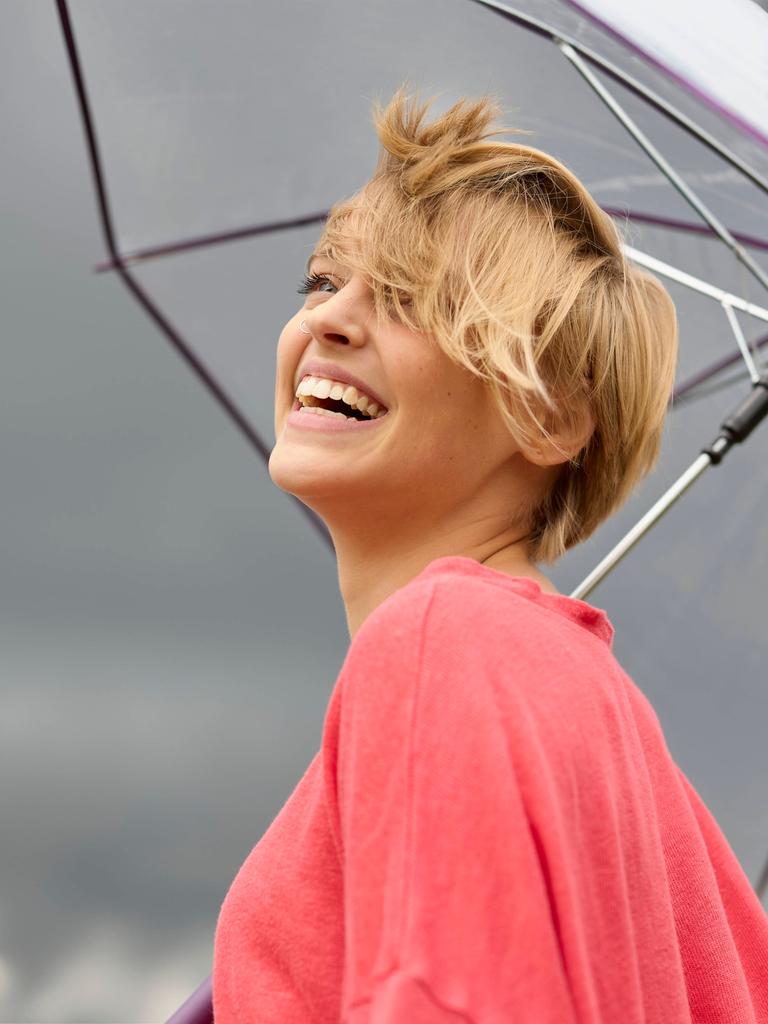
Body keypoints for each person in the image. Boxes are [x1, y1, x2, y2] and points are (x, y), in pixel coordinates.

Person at [212, 86, 768, 1022]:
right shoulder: (634, 773)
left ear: (548, 416)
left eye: (409, 299)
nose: (329, 322)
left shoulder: (444, 639)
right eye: (321, 281)